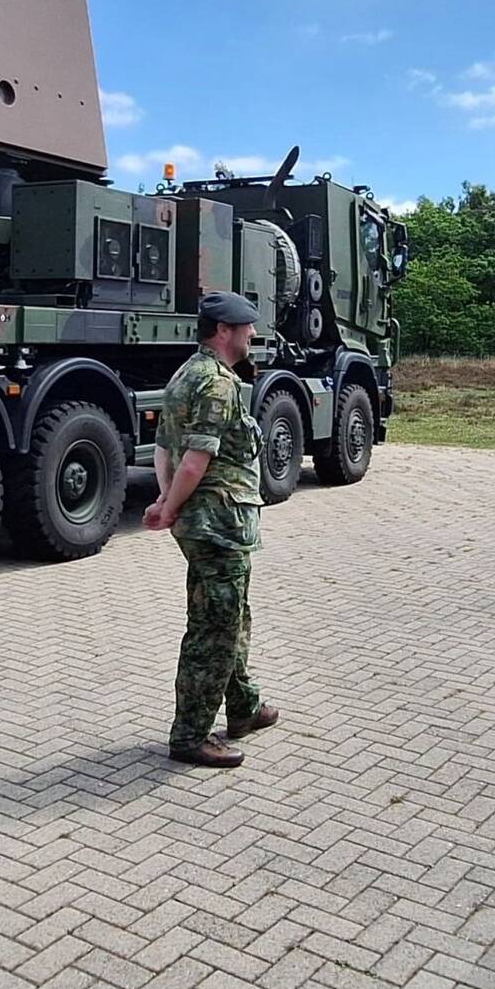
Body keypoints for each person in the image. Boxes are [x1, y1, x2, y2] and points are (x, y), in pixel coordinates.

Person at [145, 290, 281, 769]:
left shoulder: (186, 374)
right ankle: (190, 736)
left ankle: (244, 706)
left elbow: (164, 448)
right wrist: (170, 506)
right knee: (213, 630)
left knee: (229, 613)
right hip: (218, 524)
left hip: (203, 523)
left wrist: (166, 501)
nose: (251, 334)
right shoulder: (219, 383)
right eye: (246, 327)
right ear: (224, 332)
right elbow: (195, 459)